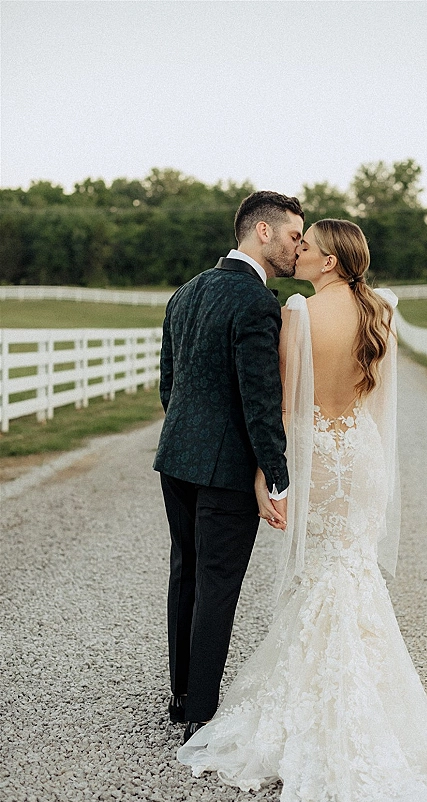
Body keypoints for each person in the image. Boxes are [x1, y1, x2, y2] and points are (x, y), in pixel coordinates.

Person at [177, 219, 427, 802]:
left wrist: (271, 474)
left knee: (322, 574)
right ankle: (370, 702)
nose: (300, 252)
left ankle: (320, 706)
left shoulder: (298, 312)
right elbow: (374, 402)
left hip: (318, 453)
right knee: (353, 570)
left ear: (331, 262)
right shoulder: (380, 311)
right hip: (362, 453)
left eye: (309, 246)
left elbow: (285, 405)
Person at [154, 191, 304, 743]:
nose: (299, 247)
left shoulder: (185, 291)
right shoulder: (257, 302)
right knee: (218, 581)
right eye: (293, 235)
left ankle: (181, 694)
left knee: (186, 571)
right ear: (262, 232)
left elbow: (169, 384)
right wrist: (276, 472)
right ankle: (201, 710)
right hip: (225, 468)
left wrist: (190, 435)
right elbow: (259, 400)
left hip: (177, 458)